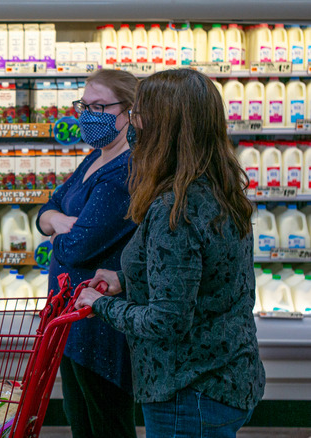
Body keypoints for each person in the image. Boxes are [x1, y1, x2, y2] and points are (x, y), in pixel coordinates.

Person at [75, 68, 265, 438]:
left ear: (163, 127)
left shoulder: (175, 209)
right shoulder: (217, 187)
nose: (132, 122)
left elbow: (167, 322)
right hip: (227, 374)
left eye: (139, 114)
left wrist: (99, 305)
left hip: (188, 391)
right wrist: (125, 280)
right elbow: (199, 274)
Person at [36, 69, 138, 438]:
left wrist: (57, 231)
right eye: (84, 105)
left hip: (100, 320)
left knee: (105, 420)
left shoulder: (124, 171)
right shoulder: (97, 156)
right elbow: (46, 209)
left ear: (128, 111)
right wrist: (57, 219)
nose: (87, 115)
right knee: (81, 418)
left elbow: (78, 246)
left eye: (99, 107)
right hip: (70, 313)